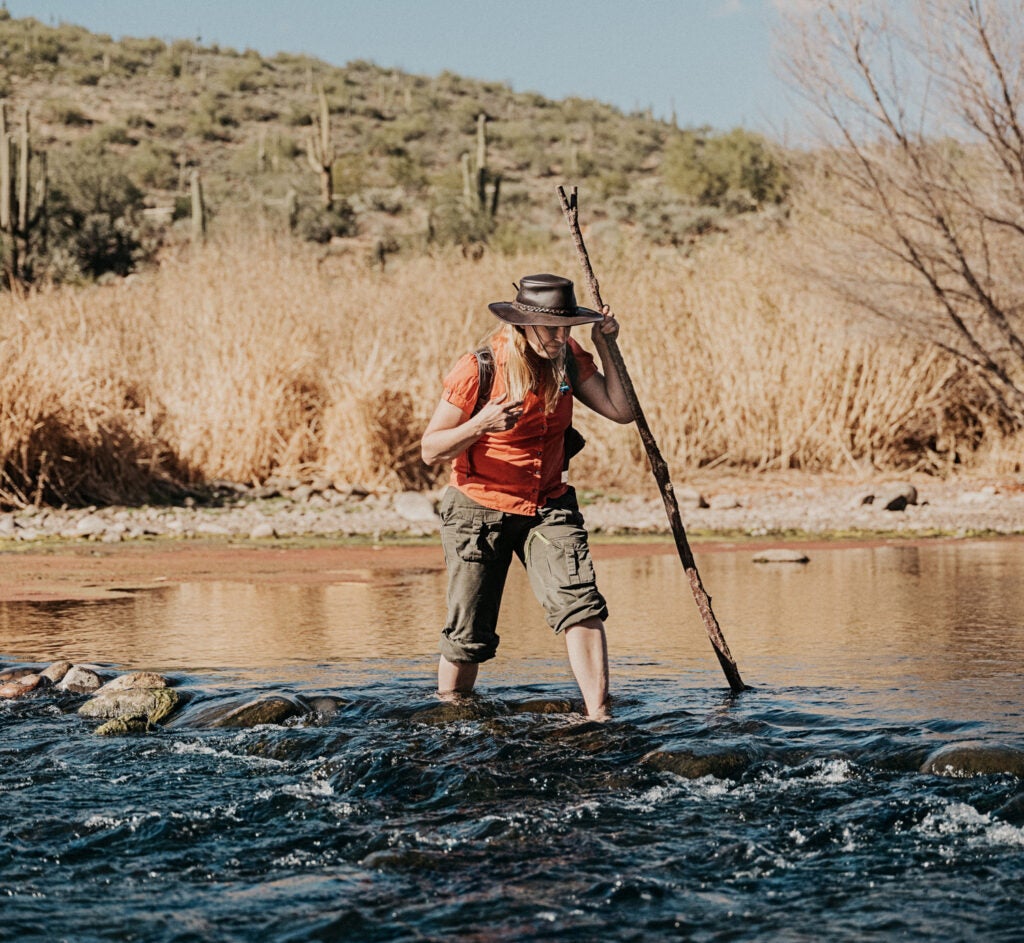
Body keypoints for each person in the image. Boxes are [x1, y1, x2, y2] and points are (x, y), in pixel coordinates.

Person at [420, 273, 633, 719]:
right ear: (521, 323)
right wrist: (481, 424)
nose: (560, 337)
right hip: (478, 510)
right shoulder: (479, 366)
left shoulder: (569, 356)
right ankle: (451, 721)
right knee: (468, 636)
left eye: (567, 327)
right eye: (550, 328)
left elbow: (622, 410)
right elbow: (430, 448)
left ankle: (599, 717)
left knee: (581, 604)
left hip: (548, 505)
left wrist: (606, 344)